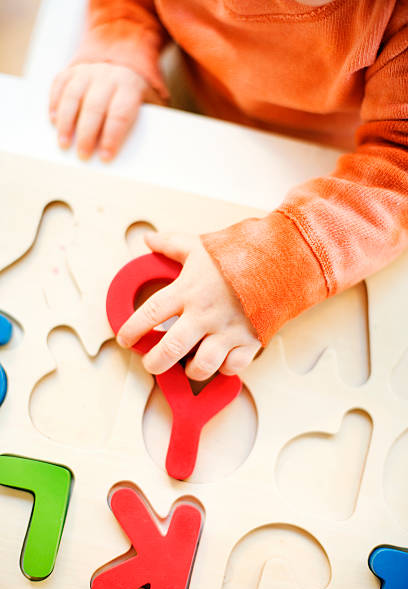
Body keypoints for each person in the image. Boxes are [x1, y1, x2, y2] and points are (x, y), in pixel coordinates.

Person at [49, 0, 408, 382]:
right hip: (186, 98)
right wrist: (121, 35)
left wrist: (268, 271)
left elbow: (398, 167)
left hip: (324, 182)